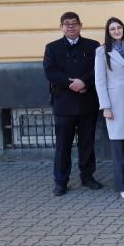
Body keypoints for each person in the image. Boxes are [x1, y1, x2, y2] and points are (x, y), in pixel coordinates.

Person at [44, 12, 102, 196]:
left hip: (87, 102)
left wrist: (83, 82)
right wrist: (71, 84)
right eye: (67, 24)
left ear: (80, 25)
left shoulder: (93, 46)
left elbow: (97, 69)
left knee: (87, 143)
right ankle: (61, 181)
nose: (71, 26)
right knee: (63, 145)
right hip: (64, 104)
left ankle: (87, 176)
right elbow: (50, 72)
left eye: (74, 23)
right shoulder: (52, 48)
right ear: (61, 26)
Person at [95, 18, 124, 199]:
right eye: (112, 29)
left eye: (119, 27)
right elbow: (100, 81)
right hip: (115, 103)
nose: (116, 31)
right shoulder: (101, 52)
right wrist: (105, 106)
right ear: (108, 31)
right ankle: (123, 185)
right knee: (118, 149)